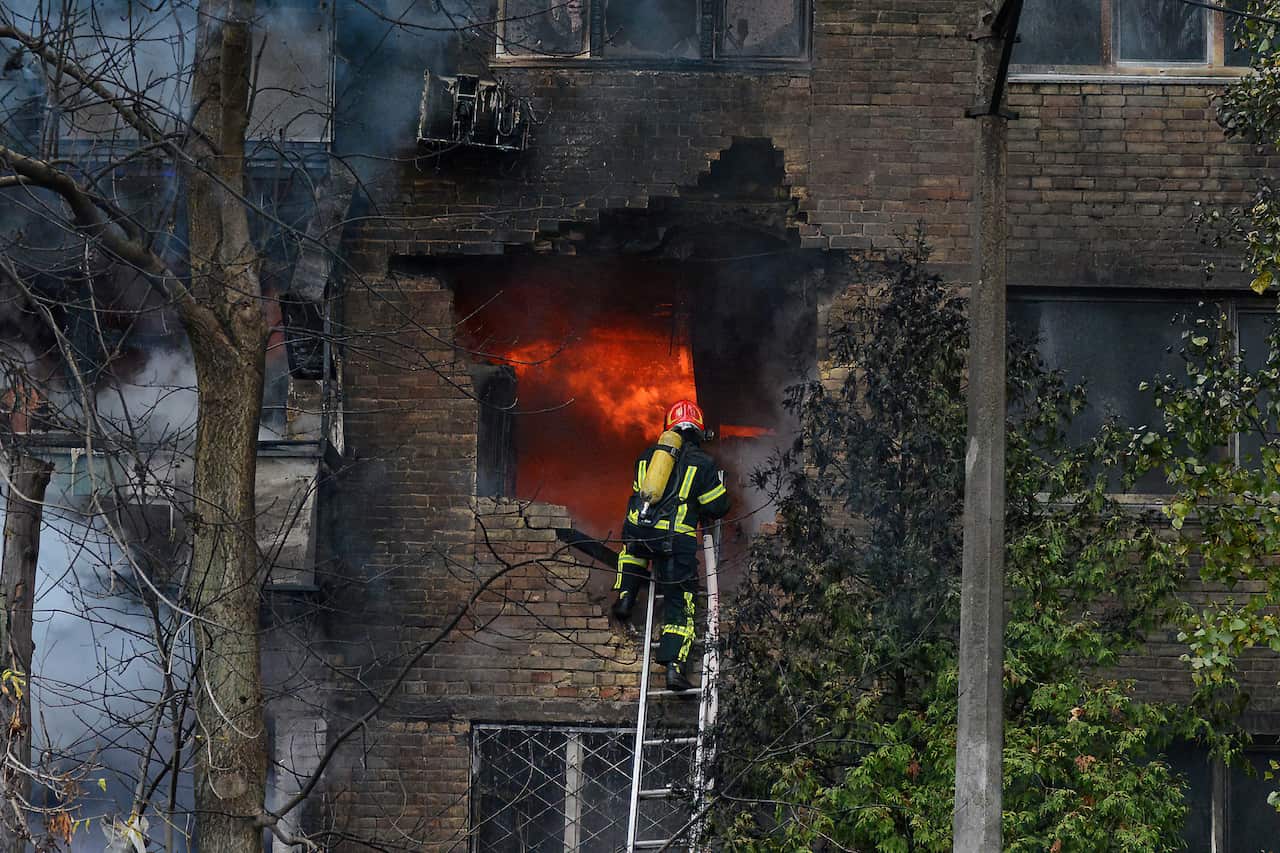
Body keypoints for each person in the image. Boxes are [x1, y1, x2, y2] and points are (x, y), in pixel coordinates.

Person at [611, 399, 730, 691]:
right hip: (676, 544)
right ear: (698, 431)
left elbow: (640, 494)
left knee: (633, 551)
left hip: (640, 533)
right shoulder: (702, 463)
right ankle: (674, 667)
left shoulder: (647, 457)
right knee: (681, 603)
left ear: (669, 428)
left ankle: (626, 596)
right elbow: (717, 506)